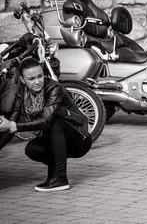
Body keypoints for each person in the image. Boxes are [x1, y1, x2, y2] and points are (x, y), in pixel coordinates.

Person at [0, 58, 92, 192]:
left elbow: (45, 120)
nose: (37, 81)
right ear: (22, 79)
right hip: (57, 140)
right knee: (32, 149)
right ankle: (54, 176)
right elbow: (11, 126)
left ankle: (61, 178)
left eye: (40, 76)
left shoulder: (54, 88)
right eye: (31, 78)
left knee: (54, 122)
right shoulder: (21, 94)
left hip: (79, 139)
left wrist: (14, 125)